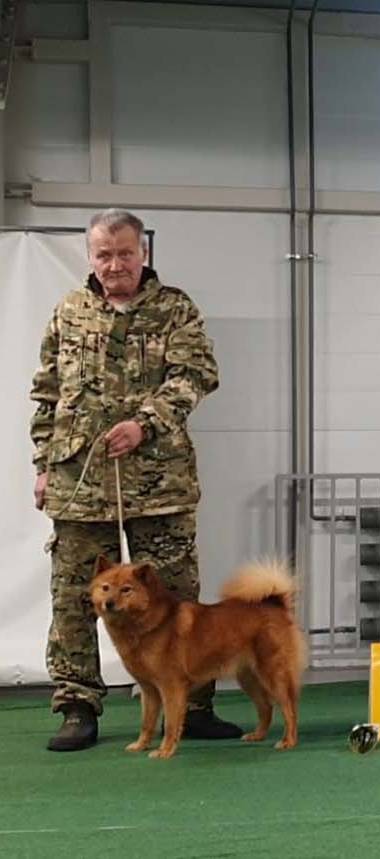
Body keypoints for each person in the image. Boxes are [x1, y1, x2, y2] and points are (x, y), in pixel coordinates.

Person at [29, 208, 242, 751]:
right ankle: (77, 706)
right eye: (104, 255)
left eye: (124, 253)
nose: (114, 264)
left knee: (177, 599)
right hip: (79, 479)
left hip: (159, 480)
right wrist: (43, 466)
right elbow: (47, 393)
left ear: (143, 253)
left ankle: (194, 705)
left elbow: (196, 375)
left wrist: (144, 424)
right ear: (90, 256)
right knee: (73, 597)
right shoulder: (69, 311)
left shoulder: (175, 309)